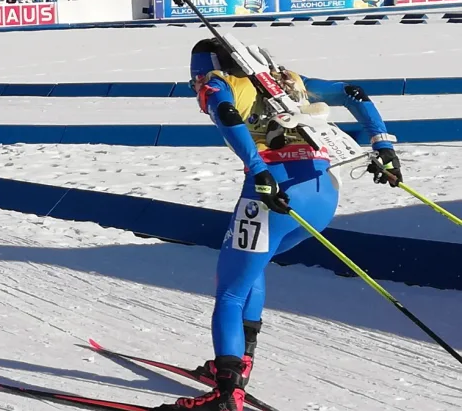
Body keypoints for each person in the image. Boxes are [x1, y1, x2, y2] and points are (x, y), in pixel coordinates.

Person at [161, 38, 402, 411]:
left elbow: (226, 114)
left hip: (272, 192)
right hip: (322, 195)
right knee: (253, 265)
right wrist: (382, 142)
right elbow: (353, 92)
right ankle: (238, 366)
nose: (194, 86)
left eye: (192, 78)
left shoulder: (219, 83)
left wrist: (258, 168)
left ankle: (226, 396)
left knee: (229, 290)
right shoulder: (287, 79)